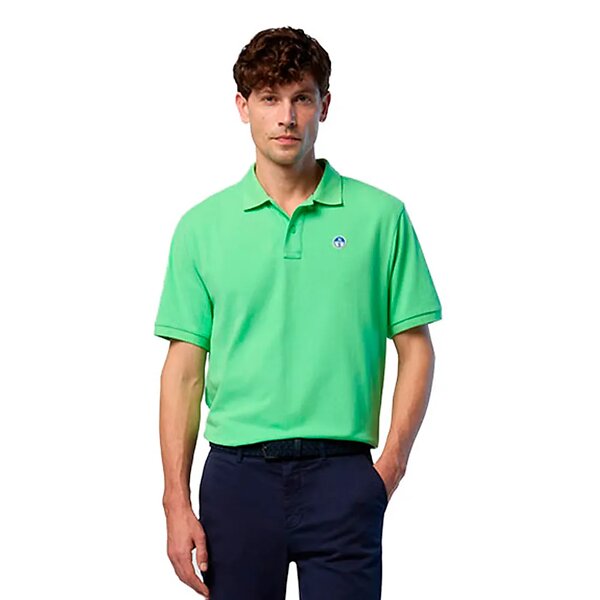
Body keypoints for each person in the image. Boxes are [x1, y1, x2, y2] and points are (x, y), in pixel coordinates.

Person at [154, 26, 442, 600]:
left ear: (324, 105)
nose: (286, 117)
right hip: (237, 480)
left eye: (301, 98)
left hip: (343, 477)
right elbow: (183, 372)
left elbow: (417, 349)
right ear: (243, 107)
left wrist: (391, 467)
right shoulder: (201, 228)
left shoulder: (381, 218)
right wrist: (175, 502)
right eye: (269, 98)